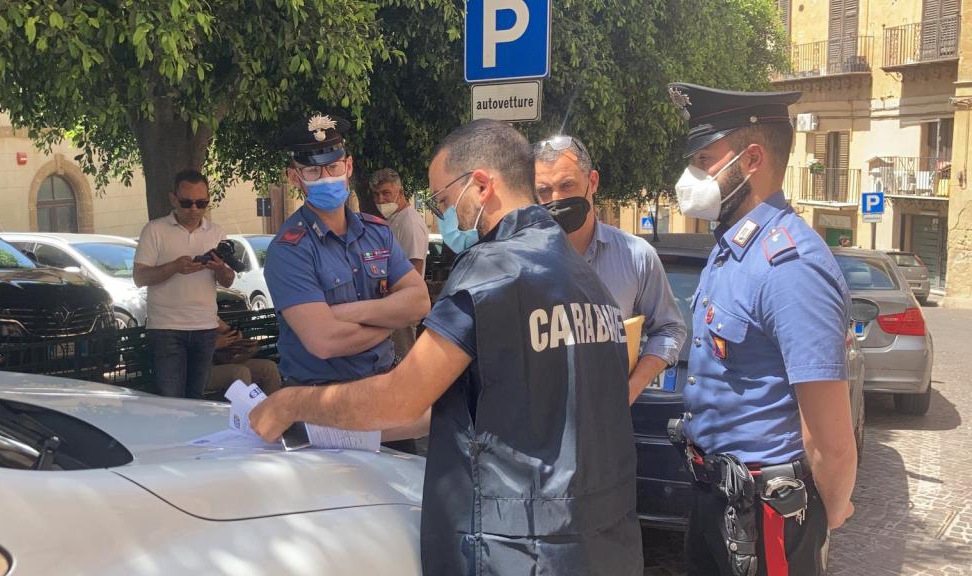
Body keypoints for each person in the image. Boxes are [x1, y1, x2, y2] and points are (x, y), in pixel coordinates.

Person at [251, 119, 643, 576]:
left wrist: (292, 403)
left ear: (480, 185)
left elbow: (403, 398)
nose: (445, 217)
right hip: (600, 536)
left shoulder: (491, 271)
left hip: (518, 545)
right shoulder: (584, 276)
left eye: (442, 200)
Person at [666, 82, 857, 576]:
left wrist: (824, 517)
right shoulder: (731, 249)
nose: (691, 176)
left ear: (751, 159)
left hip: (767, 515)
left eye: (704, 160)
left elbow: (831, 441)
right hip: (714, 498)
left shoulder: (790, 266)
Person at [262, 113, 429, 389]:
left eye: (333, 167)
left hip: (384, 385)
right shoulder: (290, 250)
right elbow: (325, 341)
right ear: (294, 177)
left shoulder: (377, 233)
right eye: (312, 171)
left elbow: (420, 303)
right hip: (321, 395)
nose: (326, 178)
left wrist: (346, 312)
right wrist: (391, 321)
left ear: (348, 166)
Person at [534, 135, 686, 403]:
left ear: (592, 182)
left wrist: (630, 390)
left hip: (608, 419)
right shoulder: (522, 259)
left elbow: (669, 329)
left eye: (567, 185)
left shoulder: (636, 256)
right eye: (544, 191)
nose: (556, 199)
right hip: (540, 417)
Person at [133, 169, 235, 399]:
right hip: (166, 328)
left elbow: (228, 281)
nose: (194, 209)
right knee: (171, 401)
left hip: (205, 327)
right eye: (187, 203)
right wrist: (174, 267)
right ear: (173, 199)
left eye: (202, 203)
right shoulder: (154, 230)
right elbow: (140, 278)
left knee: (197, 399)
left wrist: (220, 269)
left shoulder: (216, 232)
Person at [370, 167, 430, 359]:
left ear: (400, 193)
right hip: (390, 307)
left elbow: (415, 271)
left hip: (402, 309)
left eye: (386, 193)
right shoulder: (393, 219)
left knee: (404, 362)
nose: (381, 200)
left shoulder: (409, 223)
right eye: (376, 194)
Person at [205, 318, 282, 397]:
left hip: (218, 361)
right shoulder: (196, 320)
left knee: (269, 367)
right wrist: (213, 345)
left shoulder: (208, 314)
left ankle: (272, 404)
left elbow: (225, 329)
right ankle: (246, 404)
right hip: (200, 370)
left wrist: (236, 340)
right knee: (240, 372)